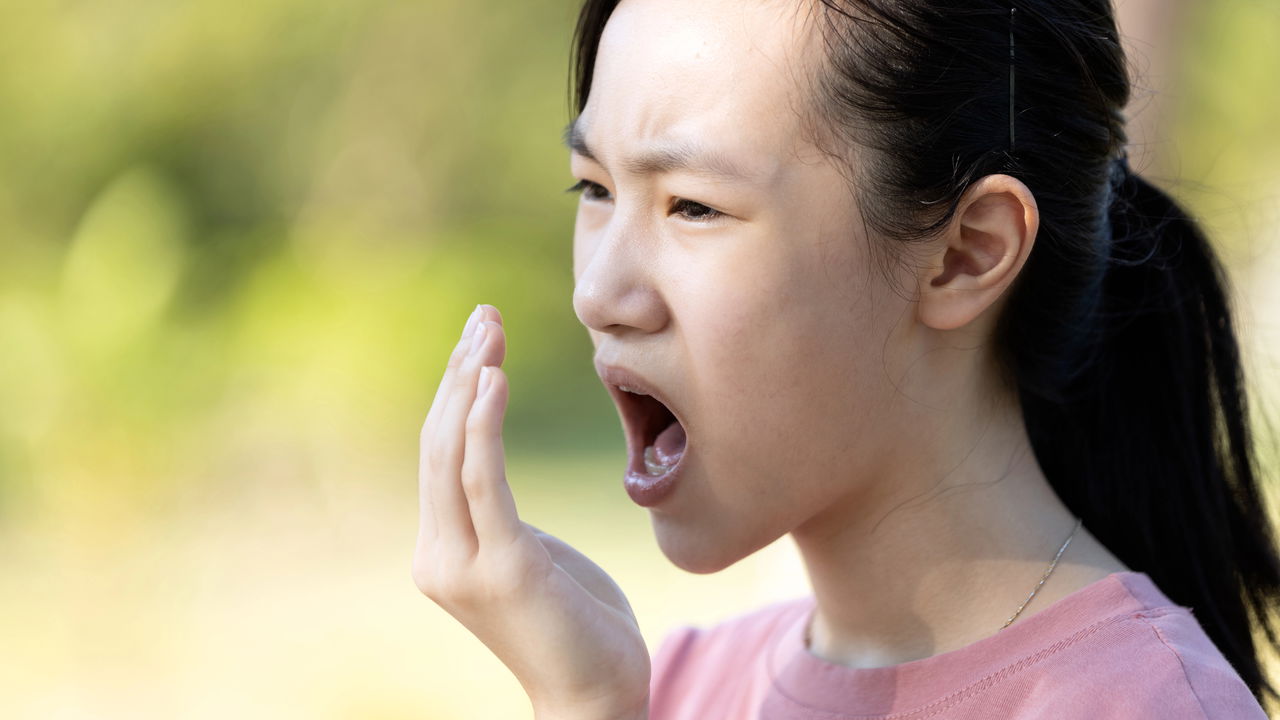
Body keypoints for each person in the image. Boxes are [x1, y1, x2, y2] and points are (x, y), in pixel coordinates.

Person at [412, 1, 1280, 718]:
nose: (597, 294)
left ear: (967, 253)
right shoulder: (674, 686)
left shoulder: (1144, 704)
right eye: (596, 188)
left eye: (693, 206)